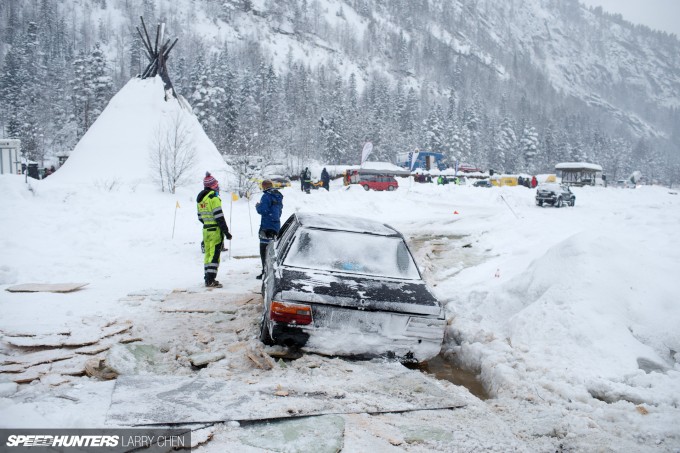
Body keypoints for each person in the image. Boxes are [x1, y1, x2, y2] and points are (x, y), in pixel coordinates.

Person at [196, 172, 232, 288]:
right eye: (216, 184)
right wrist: (226, 232)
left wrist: (208, 223)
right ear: (212, 186)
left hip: (206, 230)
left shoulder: (201, 199)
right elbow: (219, 217)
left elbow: (200, 217)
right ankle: (211, 280)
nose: (217, 186)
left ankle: (207, 278)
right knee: (214, 256)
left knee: (208, 255)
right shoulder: (213, 198)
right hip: (215, 231)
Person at [255, 180, 284, 279]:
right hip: (276, 225)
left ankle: (265, 271)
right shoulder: (278, 195)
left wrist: (258, 206)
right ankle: (272, 270)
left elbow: (263, 210)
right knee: (273, 249)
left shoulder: (266, 196)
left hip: (266, 226)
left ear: (264, 187)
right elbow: (279, 210)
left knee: (264, 249)